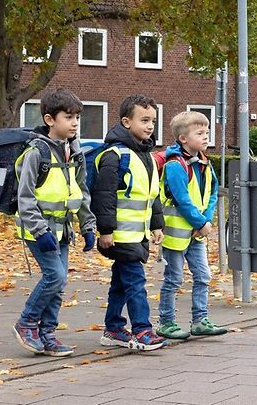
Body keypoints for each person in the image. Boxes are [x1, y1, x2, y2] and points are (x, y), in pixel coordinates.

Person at [13, 88, 96, 357]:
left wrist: (88, 226)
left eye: (77, 117)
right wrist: (40, 231)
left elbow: (82, 191)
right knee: (55, 276)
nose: (74, 123)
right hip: (39, 229)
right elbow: (25, 197)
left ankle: (47, 334)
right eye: (68, 117)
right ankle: (27, 323)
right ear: (50, 119)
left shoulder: (74, 151)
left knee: (59, 283)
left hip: (63, 229)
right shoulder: (36, 152)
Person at [91, 94, 167, 351]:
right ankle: (142, 330)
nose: (150, 126)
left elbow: (152, 195)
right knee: (135, 283)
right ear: (126, 122)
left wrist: (156, 224)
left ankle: (113, 328)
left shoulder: (147, 157)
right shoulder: (114, 156)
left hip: (138, 235)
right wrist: (105, 230)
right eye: (144, 120)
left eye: (153, 121)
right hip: (120, 236)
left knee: (121, 284)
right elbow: (104, 196)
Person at [157, 111, 227, 340]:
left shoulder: (205, 162)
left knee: (203, 275)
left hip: (196, 233)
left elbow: (212, 192)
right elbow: (181, 199)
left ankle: (200, 319)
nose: (206, 137)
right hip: (177, 234)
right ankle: (166, 322)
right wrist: (201, 222)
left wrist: (206, 220)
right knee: (173, 278)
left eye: (207, 132)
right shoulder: (175, 165)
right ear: (183, 138)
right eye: (200, 133)